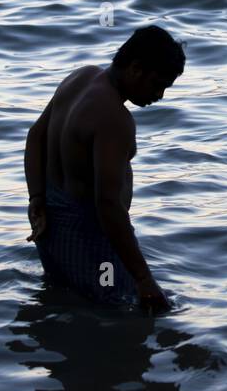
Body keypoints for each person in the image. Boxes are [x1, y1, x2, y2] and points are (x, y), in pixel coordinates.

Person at [23, 25, 185, 313]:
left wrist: (36, 199)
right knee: (126, 313)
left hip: (51, 231)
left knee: (67, 305)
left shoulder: (80, 77)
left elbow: (36, 137)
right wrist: (144, 279)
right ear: (136, 68)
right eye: (158, 84)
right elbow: (108, 205)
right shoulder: (114, 119)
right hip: (92, 242)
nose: (159, 95)